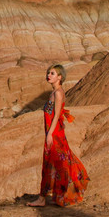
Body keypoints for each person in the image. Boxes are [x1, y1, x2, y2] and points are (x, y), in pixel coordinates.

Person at [27, 64, 89, 207]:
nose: (49, 75)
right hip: (53, 132)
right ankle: (48, 196)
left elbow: (55, 116)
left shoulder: (58, 93)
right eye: (48, 73)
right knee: (54, 163)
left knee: (55, 163)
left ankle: (50, 197)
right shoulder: (54, 93)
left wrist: (50, 134)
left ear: (60, 77)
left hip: (54, 134)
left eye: (53, 73)